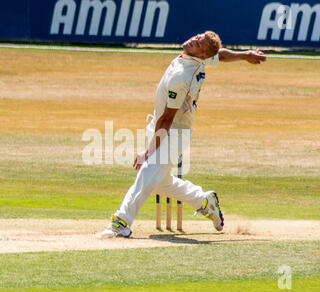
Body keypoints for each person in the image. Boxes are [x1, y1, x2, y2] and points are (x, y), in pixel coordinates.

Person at [100, 31, 266, 238]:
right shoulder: (196, 57)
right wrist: (245, 55)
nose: (192, 41)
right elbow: (219, 54)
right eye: (197, 38)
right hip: (161, 126)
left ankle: (121, 223)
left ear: (202, 55)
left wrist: (147, 151)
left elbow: (167, 119)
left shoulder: (182, 77)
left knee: (147, 173)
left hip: (173, 132)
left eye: (198, 44)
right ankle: (203, 201)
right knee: (159, 182)